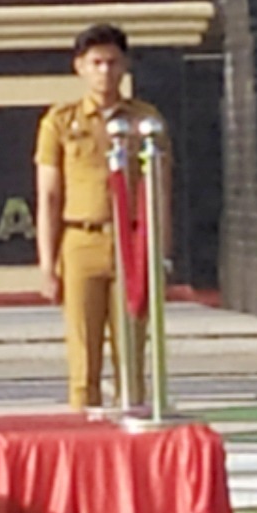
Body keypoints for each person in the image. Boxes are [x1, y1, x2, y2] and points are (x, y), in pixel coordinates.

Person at [32, 23, 168, 411]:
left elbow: (159, 190)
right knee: (83, 357)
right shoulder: (60, 121)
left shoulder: (145, 121)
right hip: (81, 241)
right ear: (79, 67)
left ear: (125, 66)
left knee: (131, 353)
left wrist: (161, 252)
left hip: (133, 242)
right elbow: (49, 195)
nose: (104, 72)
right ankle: (83, 437)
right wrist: (47, 264)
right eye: (96, 63)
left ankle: (134, 431)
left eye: (112, 62)